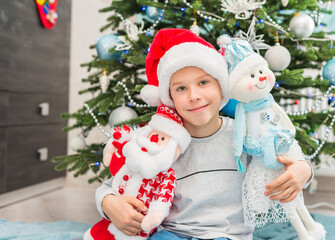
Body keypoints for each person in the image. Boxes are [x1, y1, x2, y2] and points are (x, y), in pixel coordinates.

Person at [95, 28, 313, 240]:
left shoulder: (244, 135)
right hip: (172, 233)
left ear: (221, 87)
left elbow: (291, 161)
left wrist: (304, 170)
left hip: (227, 235)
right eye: (181, 88)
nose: (194, 96)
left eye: (203, 82)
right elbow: (112, 185)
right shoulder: (161, 141)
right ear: (169, 96)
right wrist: (108, 203)